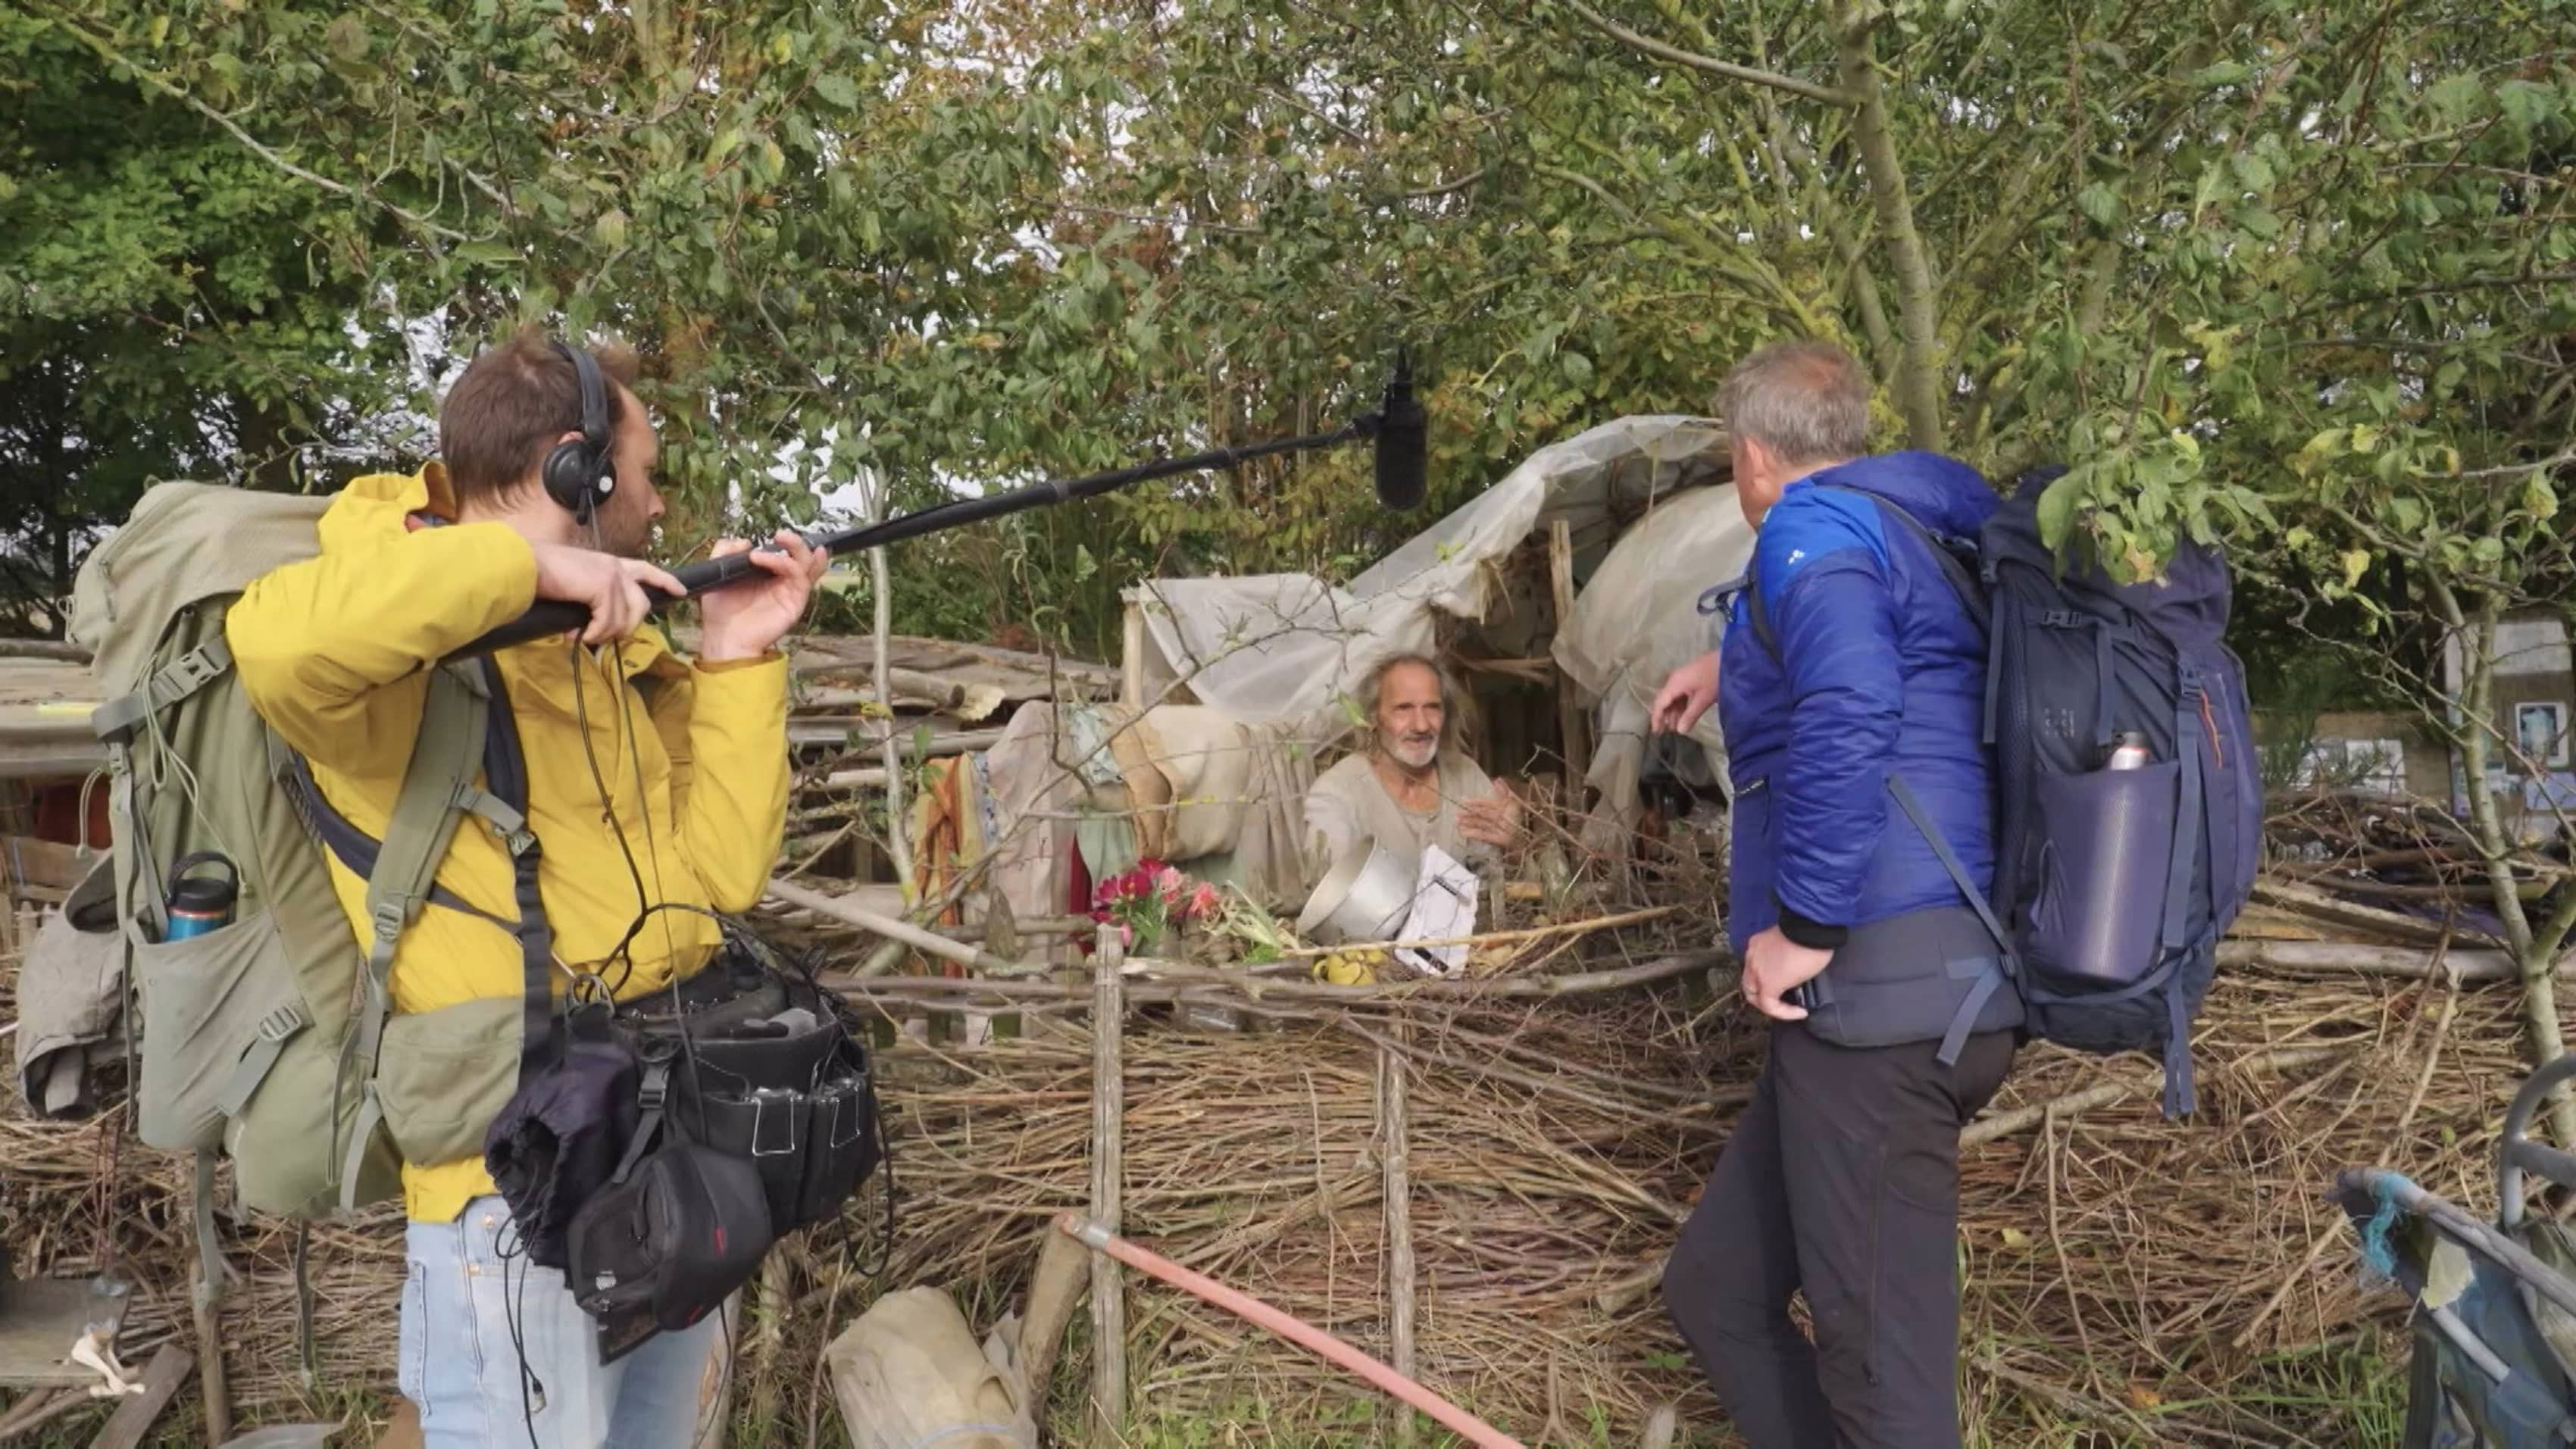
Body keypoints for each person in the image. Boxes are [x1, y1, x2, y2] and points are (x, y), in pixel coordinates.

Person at [227, 330, 828, 1447]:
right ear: (575, 470)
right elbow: (273, 645)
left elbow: (720, 879)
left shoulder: (610, 657)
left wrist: (738, 655)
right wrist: (531, 569)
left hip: (659, 1138)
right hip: (516, 1179)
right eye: (646, 477)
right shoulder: (388, 652)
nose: (657, 509)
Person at [1649, 339, 2021, 1448]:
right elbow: (1911, 665)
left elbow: (1856, 704)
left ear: (1755, 455)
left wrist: (1804, 928)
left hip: (1877, 1001)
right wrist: (1739, 661)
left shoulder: (1811, 531)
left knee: (1886, 1388)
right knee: (1715, 1290)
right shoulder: (1907, 524)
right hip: (1923, 993)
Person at [1302, 652, 1522, 880]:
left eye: (1432, 707)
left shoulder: (1466, 775)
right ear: (1374, 717)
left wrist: (1515, 843)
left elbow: (1500, 886)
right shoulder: (1337, 793)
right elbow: (1334, 896)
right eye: (1403, 708)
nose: (1421, 725)